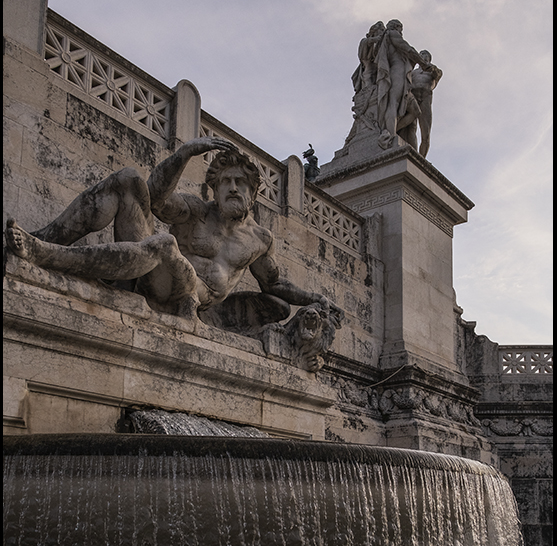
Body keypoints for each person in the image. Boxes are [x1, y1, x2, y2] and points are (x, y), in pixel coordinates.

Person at [5, 137, 341, 328]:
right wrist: (183, 155)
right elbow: (156, 199)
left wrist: (315, 298)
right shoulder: (197, 210)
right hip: (152, 273)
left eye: (241, 183)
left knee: (165, 245)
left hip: (190, 292)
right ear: (215, 190)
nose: (233, 187)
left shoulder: (259, 240)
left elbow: (274, 284)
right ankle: (45, 239)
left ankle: (43, 256)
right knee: (128, 179)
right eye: (226, 182)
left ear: (253, 193)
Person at [375, 19, 432, 149]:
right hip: (397, 73)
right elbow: (407, 49)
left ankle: (391, 130)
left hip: (402, 75)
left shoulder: (386, 38)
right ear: (396, 27)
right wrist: (422, 63)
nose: (401, 32)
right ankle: (389, 136)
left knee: (416, 111)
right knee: (393, 103)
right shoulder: (392, 34)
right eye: (401, 29)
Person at [408, 50, 443, 158]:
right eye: (421, 54)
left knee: (425, 132)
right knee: (410, 127)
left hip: (425, 97)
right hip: (413, 96)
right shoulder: (412, 72)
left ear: (429, 57)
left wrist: (427, 65)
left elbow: (436, 74)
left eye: (425, 54)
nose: (422, 55)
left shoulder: (435, 70)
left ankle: (421, 158)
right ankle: (410, 154)